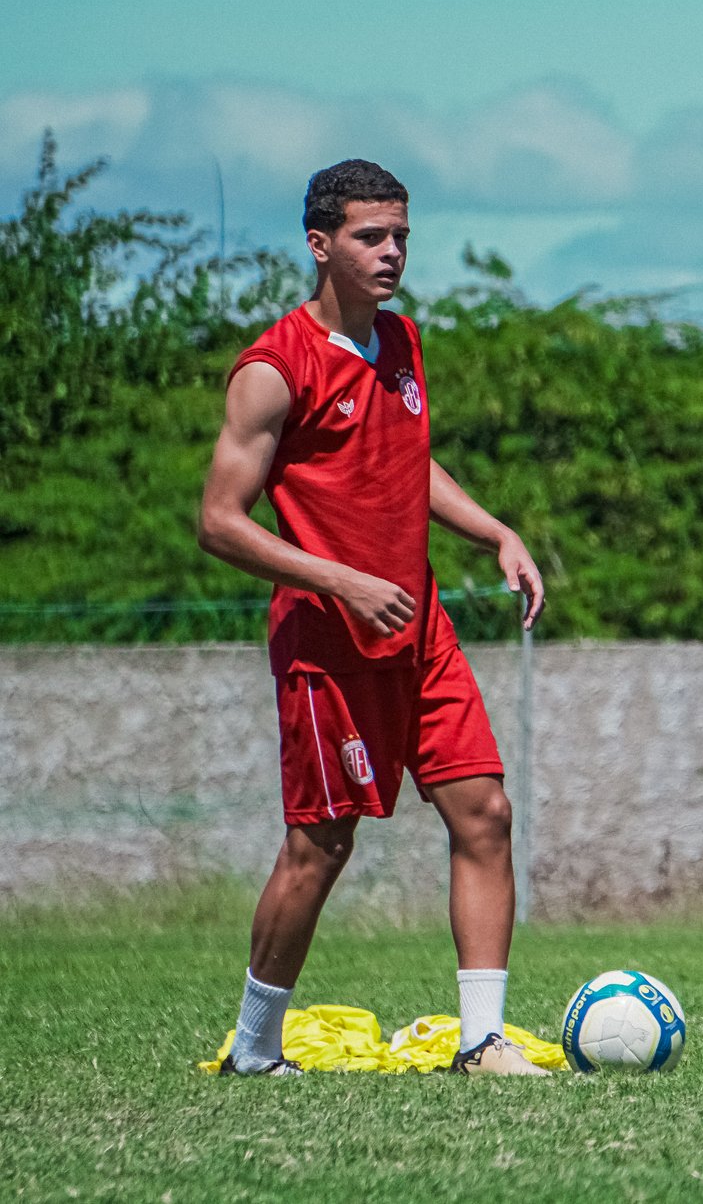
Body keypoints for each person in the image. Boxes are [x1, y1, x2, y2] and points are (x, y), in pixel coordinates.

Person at [198, 160, 548, 1077]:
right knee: (321, 843)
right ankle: (255, 1048)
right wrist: (342, 581)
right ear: (320, 244)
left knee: (486, 812)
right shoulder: (272, 371)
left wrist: (495, 532)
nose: (391, 252)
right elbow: (220, 522)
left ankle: (483, 1040)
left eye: (400, 235)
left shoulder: (401, 343)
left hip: (420, 626)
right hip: (329, 641)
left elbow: (408, 462)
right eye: (369, 236)